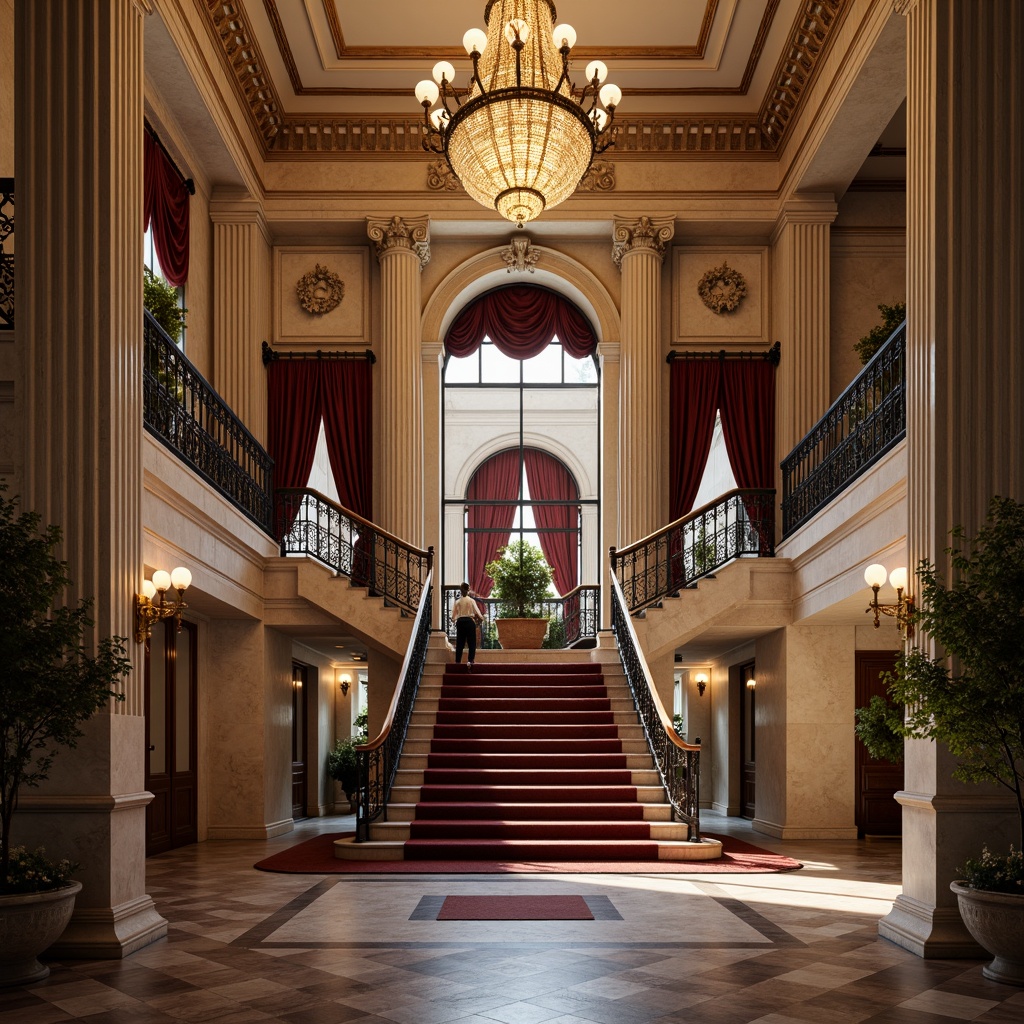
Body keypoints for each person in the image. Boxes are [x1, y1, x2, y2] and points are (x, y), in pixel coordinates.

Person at [451, 582, 484, 669]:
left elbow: (453, 616)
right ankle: (470, 660)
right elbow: (477, 612)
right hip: (469, 622)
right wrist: (481, 618)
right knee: (471, 642)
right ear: (468, 590)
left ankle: (458, 661)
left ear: (461, 591)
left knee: (460, 642)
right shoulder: (471, 601)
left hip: (460, 622)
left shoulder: (457, 601)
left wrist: (454, 620)